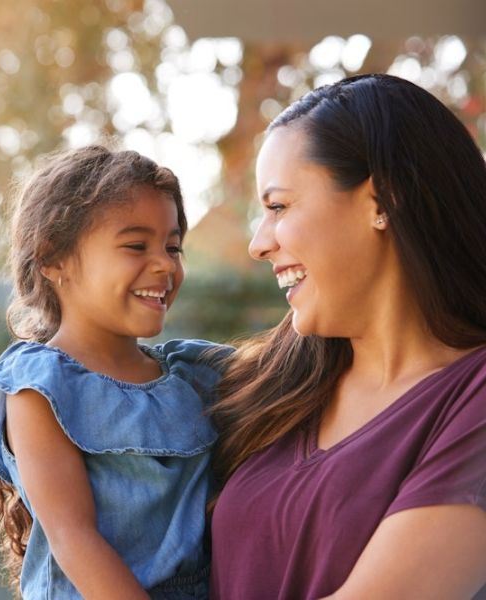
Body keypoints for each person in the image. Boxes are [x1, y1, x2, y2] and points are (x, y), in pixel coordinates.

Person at [208, 73, 486, 599]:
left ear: (383, 200)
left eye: (279, 207)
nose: (257, 244)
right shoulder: (270, 382)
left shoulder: (473, 397)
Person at [0, 145, 230, 599]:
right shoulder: (39, 387)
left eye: (173, 246)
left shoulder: (195, 374)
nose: (166, 264)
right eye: (136, 245)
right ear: (53, 259)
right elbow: (75, 540)